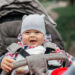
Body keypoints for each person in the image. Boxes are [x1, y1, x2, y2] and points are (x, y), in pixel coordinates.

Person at [0, 14, 75, 75]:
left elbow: (66, 57)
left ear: (44, 36)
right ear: (21, 36)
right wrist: (2, 62)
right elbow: (6, 60)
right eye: (27, 32)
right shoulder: (16, 50)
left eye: (37, 32)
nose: (32, 35)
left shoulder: (52, 48)